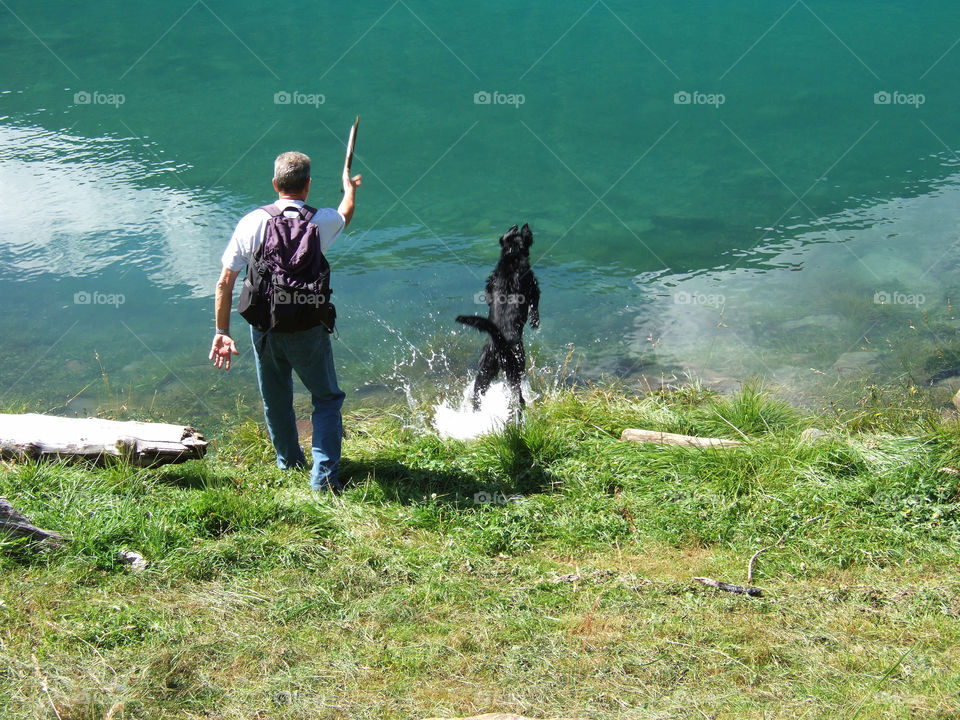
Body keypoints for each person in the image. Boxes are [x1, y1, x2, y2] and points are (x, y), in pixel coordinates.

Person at [209, 151, 362, 491]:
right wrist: (349, 188)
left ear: (275, 184)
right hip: (309, 326)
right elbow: (346, 213)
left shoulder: (252, 222)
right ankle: (324, 480)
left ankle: (289, 462)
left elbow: (224, 282)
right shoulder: (321, 221)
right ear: (308, 185)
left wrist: (222, 331)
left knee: (276, 399)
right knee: (326, 399)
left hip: (265, 326)